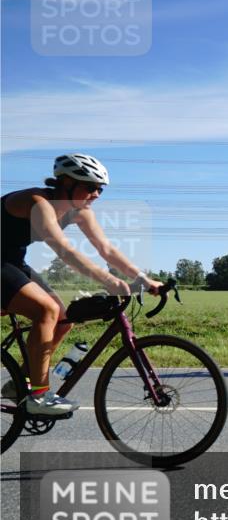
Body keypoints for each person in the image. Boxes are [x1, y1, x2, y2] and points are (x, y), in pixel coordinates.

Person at [1, 153, 162, 414]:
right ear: (65, 182)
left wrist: (141, 278)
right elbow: (64, 250)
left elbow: (106, 250)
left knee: (64, 319)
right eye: (90, 187)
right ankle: (39, 397)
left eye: (100, 189)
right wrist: (110, 280)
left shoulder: (81, 212)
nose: (96, 194)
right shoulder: (38, 202)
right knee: (46, 310)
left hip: (11, 261)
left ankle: (20, 383)